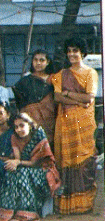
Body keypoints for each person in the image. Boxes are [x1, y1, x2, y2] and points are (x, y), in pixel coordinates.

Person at [51, 37, 98, 214]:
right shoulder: (61, 75)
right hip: (65, 123)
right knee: (67, 161)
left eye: (75, 51)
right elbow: (57, 97)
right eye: (69, 51)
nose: (72, 54)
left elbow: (89, 98)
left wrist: (69, 93)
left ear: (82, 53)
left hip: (85, 124)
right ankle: (66, 206)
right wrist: (78, 100)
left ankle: (84, 204)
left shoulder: (90, 73)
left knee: (84, 161)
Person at [0, 113, 60, 221]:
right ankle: (9, 212)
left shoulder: (39, 136)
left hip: (41, 169)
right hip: (24, 167)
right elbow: (17, 159)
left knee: (21, 173)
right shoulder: (14, 137)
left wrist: (18, 162)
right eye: (16, 127)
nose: (19, 129)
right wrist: (17, 163)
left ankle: (27, 213)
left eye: (22, 125)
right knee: (12, 172)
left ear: (29, 125)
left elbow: (34, 163)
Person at [12, 50, 56, 144]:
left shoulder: (53, 79)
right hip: (31, 120)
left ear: (47, 62)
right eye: (35, 60)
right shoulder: (25, 81)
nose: (38, 63)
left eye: (41, 60)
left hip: (51, 120)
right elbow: (20, 103)